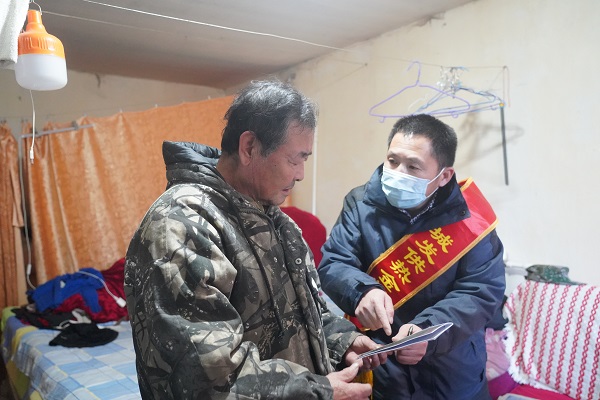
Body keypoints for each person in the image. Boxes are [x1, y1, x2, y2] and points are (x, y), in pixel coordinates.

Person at [124, 79, 388, 400]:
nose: (301, 174)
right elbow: (207, 379)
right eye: (295, 159)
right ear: (249, 147)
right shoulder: (181, 224)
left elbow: (308, 313)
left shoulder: (281, 224)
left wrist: (342, 341)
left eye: (305, 160)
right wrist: (318, 391)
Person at [318, 114, 506, 400]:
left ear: (444, 176)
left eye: (413, 166)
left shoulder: (471, 218)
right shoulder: (360, 203)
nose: (398, 173)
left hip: (453, 370)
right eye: (393, 161)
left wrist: (427, 333)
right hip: (385, 367)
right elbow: (334, 262)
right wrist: (362, 292)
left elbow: (481, 291)